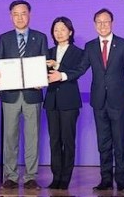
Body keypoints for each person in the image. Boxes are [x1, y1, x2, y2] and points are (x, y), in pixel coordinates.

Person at [68, 8, 124, 194]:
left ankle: (121, 181)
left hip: (119, 100)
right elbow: (80, 69)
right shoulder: (90, 46)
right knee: (103, 143)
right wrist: (62, 74)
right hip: (99, 101)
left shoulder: (123, 45)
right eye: (99, 22)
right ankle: (105, 180)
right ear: (94, 25)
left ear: (112, 23)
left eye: (106, 22)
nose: (102, 25)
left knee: (119, 142)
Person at [0, 0, 49, 191]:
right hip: (10, 95)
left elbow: (44, 65)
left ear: (30, 15)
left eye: (23, 13)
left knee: (32, 137)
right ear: (11, 16)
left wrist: (42, 78)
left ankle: (30, 177)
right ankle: (10, 176)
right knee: (9, 137)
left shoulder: (40, 37)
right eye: (16, 14)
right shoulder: (4, 38)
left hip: (32, 95)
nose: (20, 17)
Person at [44, 16, 84, 190]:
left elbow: (77, 71)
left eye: (62, 29)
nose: (59, 33)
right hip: (51, 101)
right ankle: (56, 176)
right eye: (55, 30)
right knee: (54, 140)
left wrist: (58, 66)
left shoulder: (78, 52)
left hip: (69, 101)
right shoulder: (48, 52)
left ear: (70, 32)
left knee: (68, 141)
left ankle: (65, 178)